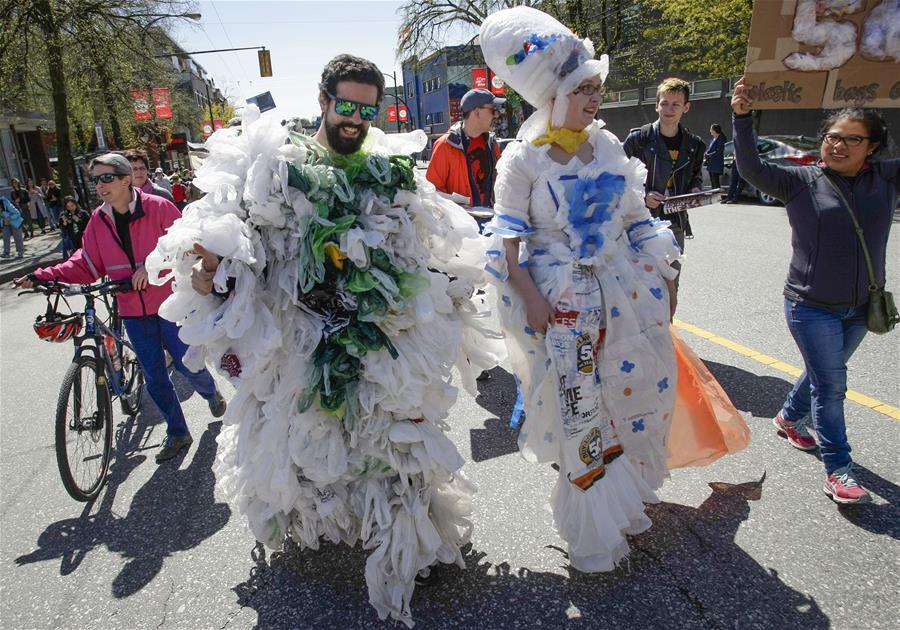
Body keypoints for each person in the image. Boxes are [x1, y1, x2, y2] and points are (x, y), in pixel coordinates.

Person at [145, 54, 501, 626]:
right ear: (322, 100)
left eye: (366, 108)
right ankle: (319, 519)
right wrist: (209, 268)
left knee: (392, 437)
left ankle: (406, 542)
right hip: (301, 337)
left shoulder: (385, 167)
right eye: (346, 105)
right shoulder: (282, 168)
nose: (355, 118)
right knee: (303, 435)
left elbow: (424, 236)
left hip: (381, 335)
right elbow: (234, 227)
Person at [479, 6, 730, 573]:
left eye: (598, 88)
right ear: (553, 94)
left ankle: (627, 493)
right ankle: (593, 523)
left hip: (625, 295)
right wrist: (534, 300)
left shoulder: (609, 146)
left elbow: (638, 220)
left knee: (637, 392)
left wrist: (663, 271)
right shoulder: (521, 159)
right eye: (583, 89)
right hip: (562, 302)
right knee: (581, 411)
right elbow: (506, 241)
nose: (595, 99)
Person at [732, 79, 898, 505]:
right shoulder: (802, 181)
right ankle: (839, 469)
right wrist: (743, 118)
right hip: (810, 307)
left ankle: (789, 417)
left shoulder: (886, 178)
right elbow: (750, 169)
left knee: (826, 371)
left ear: (873, 147)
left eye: (851, 139)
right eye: (832, 137)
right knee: (831, 386)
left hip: (863, 307)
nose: (838, 145)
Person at [14, 153, 227, 463]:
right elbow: (85, 263)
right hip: (131, 309)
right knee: (154, 376)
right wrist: (41, 276)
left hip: (169, 304)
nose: (100, 185)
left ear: (126, 179)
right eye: (95, 180)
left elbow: (188, 247)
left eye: (106, 178)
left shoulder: (158, 208)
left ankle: (211, 393)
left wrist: (149, 268)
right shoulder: (98, 222)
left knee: (186, 364)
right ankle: (178, 431)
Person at [623, 77, 705, 296]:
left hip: (674, 223)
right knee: (637, 285)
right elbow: (617, 179)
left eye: (676, 104)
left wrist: (696, 192)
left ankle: (665, 329)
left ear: (686, 107)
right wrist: (643, 196)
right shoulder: (639, 139)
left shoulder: (695, 145)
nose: (669, 109)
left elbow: (695, 178)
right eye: (664, 103)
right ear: (656, 104)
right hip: (639, 221)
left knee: (670, 285)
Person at [426, 87, 505, 214]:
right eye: (493, 110)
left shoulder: (492, 144)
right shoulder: (445, 145)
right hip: (461, 228)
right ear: (477, 112)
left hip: (491, 223)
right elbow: (431, 191)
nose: (497, 114)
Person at [705, 124, 726, 189]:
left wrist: (709, 155)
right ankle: (715, 196)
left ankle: (717, 197)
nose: (710, 131)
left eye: (711, 129)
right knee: (713, 182)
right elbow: (711, 149)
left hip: (716, 164)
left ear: (715, 130)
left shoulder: (721, 139)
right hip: (711, 163)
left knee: (715, 182)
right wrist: (706, 153)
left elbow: (719, 151)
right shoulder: (714, 139)